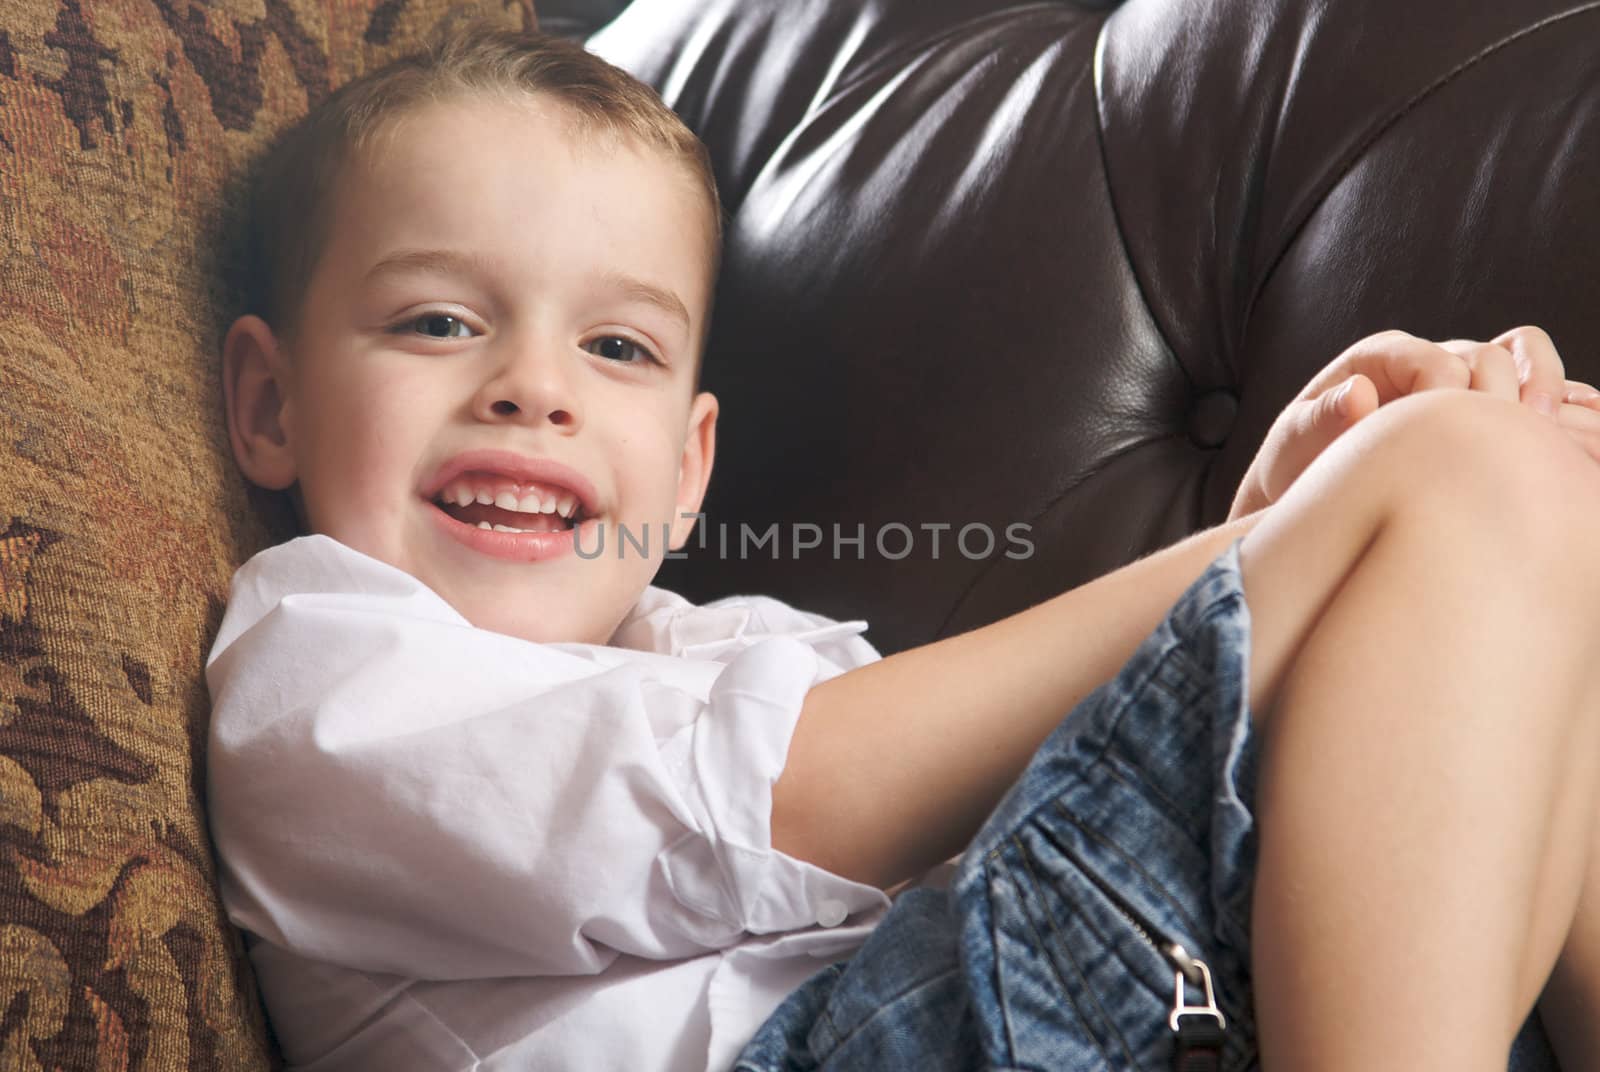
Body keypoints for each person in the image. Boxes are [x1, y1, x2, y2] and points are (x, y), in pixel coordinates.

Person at [207, 22, 1600, 1072]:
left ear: (689, 469)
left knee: (1537, 524)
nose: (534, 386)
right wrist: (1318, 540)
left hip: (1095, 1002)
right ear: (269, 405)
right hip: (855, 1041)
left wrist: (1289, 541)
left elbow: (1041, 807)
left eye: (616, 344)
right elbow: (777, 809)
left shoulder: (725, 640)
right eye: (441, 322)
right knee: (1464, 479)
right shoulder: (313, 667)